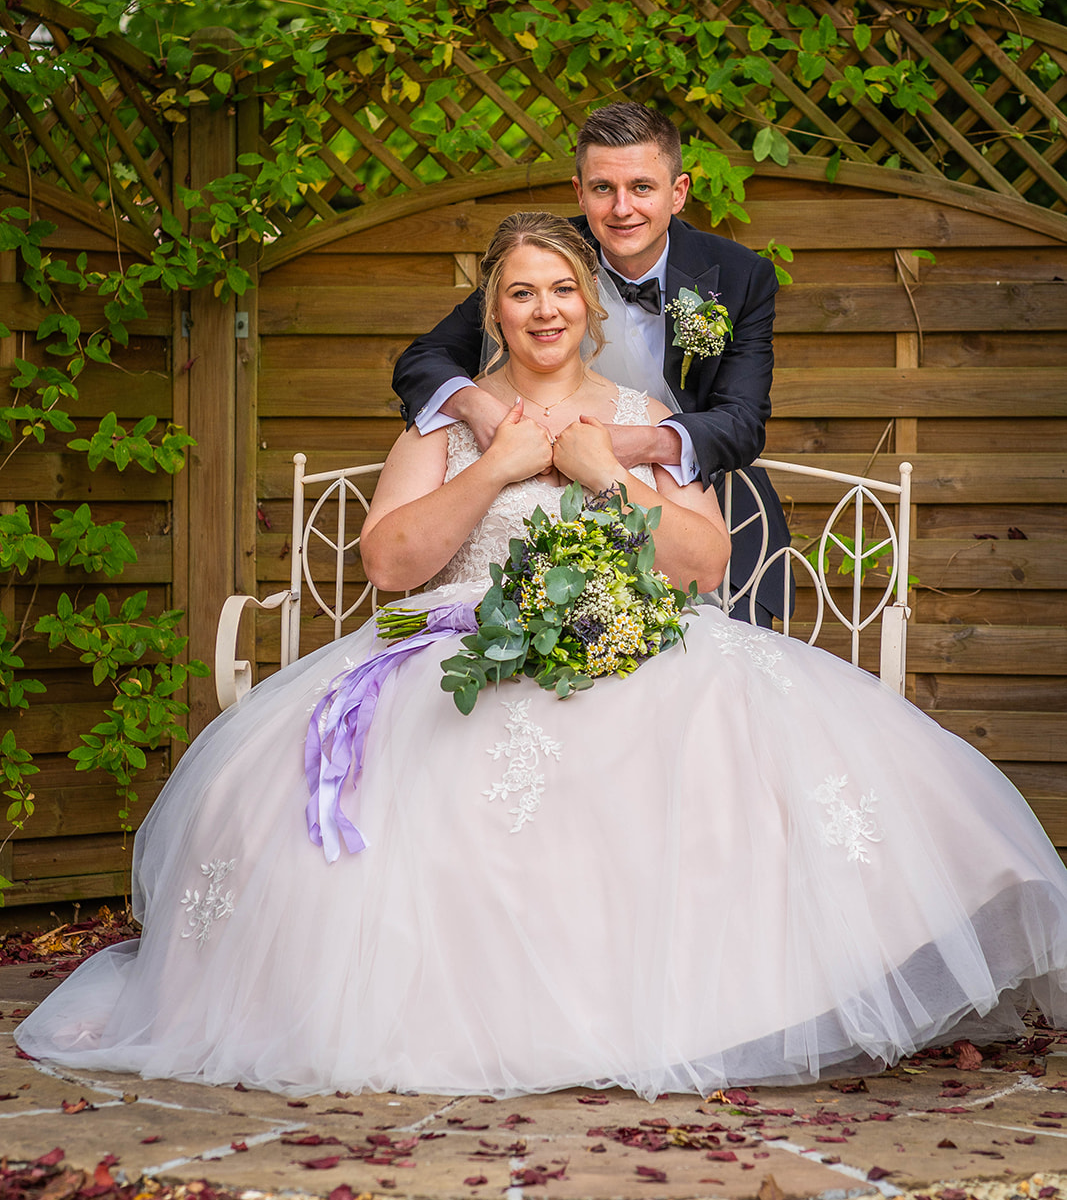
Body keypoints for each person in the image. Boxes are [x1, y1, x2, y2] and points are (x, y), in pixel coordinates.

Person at [17, 212, 1067, 1102]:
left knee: (709, 737)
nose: (544, 309)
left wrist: (603, 471)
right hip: (459, 645)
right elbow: (387, 564)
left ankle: (717, 1007)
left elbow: (703, 564)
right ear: (494, 311)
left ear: (589, 304)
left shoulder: (644, 422)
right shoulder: (442, 423)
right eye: (520, 292)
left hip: (630, 636)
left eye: (561, 288)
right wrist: (497, 465)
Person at [392, 99, 792, 628]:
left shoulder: (739, 275)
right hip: (543, 511)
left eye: (642, 187)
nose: (622, 208)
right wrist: (479, 411)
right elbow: (424, 359)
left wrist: (635, 445)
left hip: (699, 511)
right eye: (604, 188)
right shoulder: (542, 259)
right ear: (580, 193)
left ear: (678, 193)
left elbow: (742, 420)